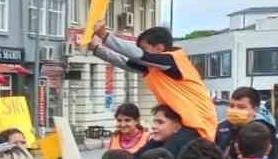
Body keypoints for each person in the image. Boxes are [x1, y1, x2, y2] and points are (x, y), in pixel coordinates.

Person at [88, 24, 216, 141]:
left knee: (164, 156)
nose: (141, 52)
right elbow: (125, 63)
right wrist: (96, 49)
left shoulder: (173, 60)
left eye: (144, 48)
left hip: (198, 126)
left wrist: (105, 36)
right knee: (145, 155)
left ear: (159, 48)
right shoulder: (154, 67)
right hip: (179, 124)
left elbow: (139, 56)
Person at [215, 87, 278, 159]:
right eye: (231, 106)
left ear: (255, 109)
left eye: (241, 107)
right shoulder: (222, 127)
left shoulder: (263, 131)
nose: (234, 110)